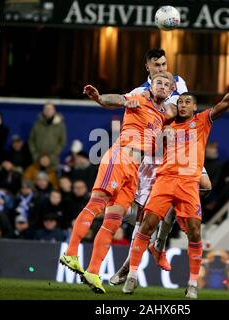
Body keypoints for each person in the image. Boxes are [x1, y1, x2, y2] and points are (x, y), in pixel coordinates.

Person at [122, 67, 229, 298]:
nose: (183, 105)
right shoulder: (165, 124)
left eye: (188, 102)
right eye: (181, 102)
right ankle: (132, 276)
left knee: (195, 232)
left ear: (195, 107)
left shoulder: (203, 121)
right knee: (147, 224)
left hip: (188, 184)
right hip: (164, 181)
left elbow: (227, 101)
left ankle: (193, 284)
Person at [59, 71, 177, 294]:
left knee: (113, 221)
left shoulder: (162, 116)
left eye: (166, 84)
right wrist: (100, 98)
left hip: (134, 170)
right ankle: (71, 253)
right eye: (158, 82)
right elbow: (119, 100)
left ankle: (93, 272)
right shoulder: (139, 98)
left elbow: (175, 117)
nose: (161, 86)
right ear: (151, 86)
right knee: (96, 204)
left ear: (170, 90)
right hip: (119, 158)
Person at [110, 48, 212, 285]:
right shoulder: (139, 93)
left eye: (164, 64)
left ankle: (160, 242)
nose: (162, 69)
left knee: (205, 185)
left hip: (181, 149)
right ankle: (129, 267)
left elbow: (182, 109)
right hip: (154, 154)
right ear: (148, 67)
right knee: (144, 217)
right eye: (157, 66)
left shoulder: (178, 82)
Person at [28, 103, 67, 169]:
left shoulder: (60, 125)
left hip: (53, 162)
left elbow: (62, 142)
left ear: (54, 111)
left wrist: (52, 157)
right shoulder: (37, 124)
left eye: (50, 109)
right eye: (46, 109)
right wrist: (35, 154)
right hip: (37, 160)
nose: (48, 110)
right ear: (43, 111)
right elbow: (31, 140)